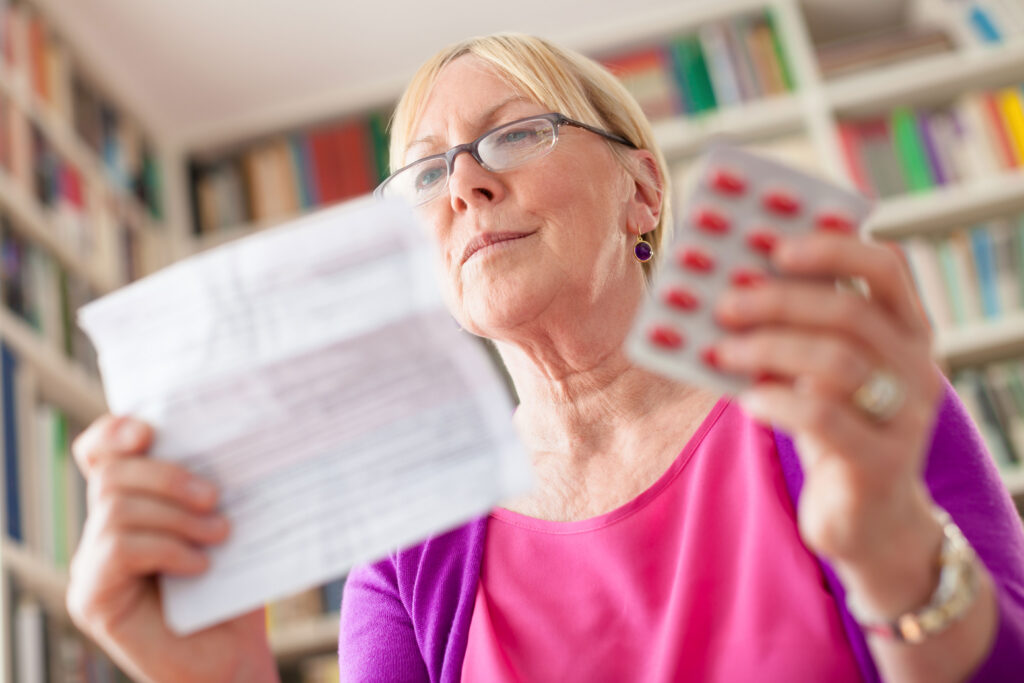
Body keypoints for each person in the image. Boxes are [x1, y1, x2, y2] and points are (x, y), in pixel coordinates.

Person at [67, 33, 1023, 682]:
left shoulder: (835, 401)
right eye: (427, 172)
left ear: (641, 190)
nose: (467, 184)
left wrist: (897, 554)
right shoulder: (408, 544)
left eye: (516, 133)